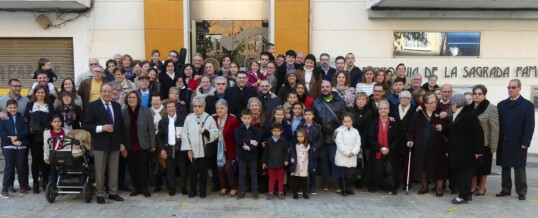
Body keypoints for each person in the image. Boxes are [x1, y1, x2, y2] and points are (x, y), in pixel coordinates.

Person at [83, 83, 126, 204]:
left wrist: (121, 142)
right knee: (100, 170)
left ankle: (113, 193)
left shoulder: (117, 106)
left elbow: (121, 126)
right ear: (100, 92)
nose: (107, 94)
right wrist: (102, 128)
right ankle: (100, 194)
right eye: (105, 91)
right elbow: (86, 124)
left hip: (114, 143)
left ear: (112, 93)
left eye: (109, 91)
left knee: (114, 170)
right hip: (100, 143)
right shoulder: (93, 106)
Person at [496, 79, 534, 201]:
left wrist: (526, 142)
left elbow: (529, 125)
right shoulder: (501, 104)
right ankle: (506, 189)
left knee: (519, 167)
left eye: (513, 87)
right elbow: (498, 124)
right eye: (509, 87)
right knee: (505, 166)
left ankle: (521, 191)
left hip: (519, 141)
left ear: (519, 88)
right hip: (504, 140)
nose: (510, 90)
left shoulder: (527, 105)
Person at [407, 92, 448, 197]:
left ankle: (439, 189)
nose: (434, 105)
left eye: (435, 102)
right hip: (422, 145)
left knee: (439, 167)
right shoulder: (418, 114)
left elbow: (448, 127)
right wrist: (410, 139)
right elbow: (411, 129)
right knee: (423, 166)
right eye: (431, 103)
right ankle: (424, 187)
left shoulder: (440, 114)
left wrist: (442, 127)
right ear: (425, 104)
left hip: (438, 146)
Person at [446, 94, 484, 204]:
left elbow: (478, 134)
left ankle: (463, 196)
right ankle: (466, 194)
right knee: (460, 174)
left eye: (451, 104)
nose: (450, 106)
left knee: (464, 175)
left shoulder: (469, 115)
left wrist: (478, 151)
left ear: (455, 104)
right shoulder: (458, 114)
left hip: (467, 152)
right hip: (458, 151)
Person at [181, 97, 219, 198]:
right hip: (192, 151)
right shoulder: (188, 118)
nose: (197, 108)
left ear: (203, 107)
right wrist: (188, 149)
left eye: (199, 106)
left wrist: (205, 131)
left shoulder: (209, 118)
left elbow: (215, 133)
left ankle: (202, 191)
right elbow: (184, 134)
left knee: (203, 171)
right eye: (195, 106)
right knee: (193, 171)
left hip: (204, 151)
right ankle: (193, 190)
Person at [312, 80, 345, 192]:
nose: (325, 88)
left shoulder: (340, 102)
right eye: (323, 87)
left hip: (334, 137)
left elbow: (343, 120)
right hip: (321, 138)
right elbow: (314, 119)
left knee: (334, 160)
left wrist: (339, 134)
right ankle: (325, 183)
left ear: (332, 88)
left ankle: (336, 183)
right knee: (323, 160)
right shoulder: (317, 102)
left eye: (327, 86)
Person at [121, 91, 156, 198]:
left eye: (134, 97)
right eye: (129, 98)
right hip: (129, 145)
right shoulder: (123, 112)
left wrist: (153, 144)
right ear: (126, 100)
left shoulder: (145, 111)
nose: (131, 99)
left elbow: (151, 128)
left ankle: (145, 188)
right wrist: (122, 146)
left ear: (138, 99)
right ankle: (136, 188)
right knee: (132, 168)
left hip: (143, 145)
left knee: (142, 168)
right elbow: (121, 131)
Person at [25, 85, 56, 193]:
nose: (40, 94)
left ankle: (45, 181)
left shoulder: (50, 105)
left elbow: (53, 119)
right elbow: (26, 119)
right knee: (35, 160)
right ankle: (35, 183)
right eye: (38, 92)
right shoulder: (30, 105)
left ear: (45, 94)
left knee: (46, 159)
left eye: (42, 92)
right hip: (34, 137)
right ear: (35, 93)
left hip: (47, 136)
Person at [470, 84, 499, 197]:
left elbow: (495, 127)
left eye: (479, 94)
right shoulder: (469, 107)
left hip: (485, 143)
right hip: (471, 143)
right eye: (475, 93)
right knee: (472, 166)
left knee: (483, 167)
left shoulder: (491, 108)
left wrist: (493, 144)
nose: (477, 96)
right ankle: (473, 187)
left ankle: (482, 187)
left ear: (484, 95)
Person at [367, 100, 399, 195]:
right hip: (377, 150)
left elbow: (397, 139)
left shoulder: (394, 123)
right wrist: (380, 148)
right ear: (378, 110)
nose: (383, 110)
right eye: (381, 109)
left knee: (390, 169)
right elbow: (370, 138)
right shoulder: (373, 123)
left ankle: (390, 187)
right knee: (376, 168)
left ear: (388, 110)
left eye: (385, 108)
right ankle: (375, 185)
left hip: (391, 151)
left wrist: (389, 148)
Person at [157, 99, 188, 196]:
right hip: (169, 149)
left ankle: (183, 187)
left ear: (176, 108)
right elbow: (159, 137)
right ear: (166, 109)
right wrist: (162, 149)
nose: (170, 108)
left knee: (183, 169)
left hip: (181, 149)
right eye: (168, 107)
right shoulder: (162, 122)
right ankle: (171, 188)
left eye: (172, 106)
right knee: (170, 170)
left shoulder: (183, 119)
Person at [0, 99, 30, 198]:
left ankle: (23, 187)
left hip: (20, 145)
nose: (13, 109)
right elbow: (2, 131)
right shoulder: (3, 118)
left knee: (21, 166)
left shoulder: (22, 118)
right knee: (9, 166)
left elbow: (26, 130)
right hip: (8, 145)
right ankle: (4, 189)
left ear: (17, 107)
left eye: (14, 107)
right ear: (7, 108)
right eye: (10, 108)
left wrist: (17, 138)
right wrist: (11, 139)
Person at [213, 99, 240, 197]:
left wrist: (237, 152)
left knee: (228, 168)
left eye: (222, 108)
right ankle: (223, 187)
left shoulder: (232, 120)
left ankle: (234, 187)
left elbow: (237, 137)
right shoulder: (214, 119)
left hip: (230, 149)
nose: (219, 110)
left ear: (226, 109)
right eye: (217, 108)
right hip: (218, 150)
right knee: (219, 169)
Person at [234, 109, 261, 199]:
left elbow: (257, 142)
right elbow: (238, 140)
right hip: (242, 155)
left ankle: (255, 191)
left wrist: (250, 147)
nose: (246, 120)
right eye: (245, 118)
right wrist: (250, 141)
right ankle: (241, 191)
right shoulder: (238, 129)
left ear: (251, 119)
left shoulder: (255, 129)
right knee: (242, 174)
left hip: (252, 155)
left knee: (253, 173)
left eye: (248, 118)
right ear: (241, 118)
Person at [334, 112, 361, 196]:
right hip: (342, 155)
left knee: (349, 173)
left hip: (352, 155)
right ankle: (343, 189)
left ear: (352, 121)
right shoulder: (339, 131)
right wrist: (347, 153)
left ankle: (348, 188)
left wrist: (353, 152)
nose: (347, 123)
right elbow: (339, 143)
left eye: (349, 121)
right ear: (342, 121)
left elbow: (358, 143)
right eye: (345, 121)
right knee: (342, 173)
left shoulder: (355, 131)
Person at [350, 93, 373, 189]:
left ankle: (363, 180)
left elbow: (368, 129)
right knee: (354, 162)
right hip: (352, 141)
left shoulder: (370, 112)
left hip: (365, 142)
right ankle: (354, 180)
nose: (361, 101)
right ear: (356, 101)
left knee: (364, 162)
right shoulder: (351, 111)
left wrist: (361, 143)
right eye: (359, 99)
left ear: (366, 101)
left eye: (363, 99)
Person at [262, 123, 289, 200]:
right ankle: (271, 192)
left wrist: (286, 160)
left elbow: (286, 152)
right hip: (270, 164)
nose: (276, 132)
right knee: (271, 178)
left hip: (280, 163)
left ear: (281, 131)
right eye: (274, 131)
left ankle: (280, 192)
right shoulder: (268, 141)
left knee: (280, 178)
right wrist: (264, 162)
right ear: (271, 131)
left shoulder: (283, 140)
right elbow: (265, 152)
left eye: (278, 131)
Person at [42, 115, 70, 186]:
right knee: (53, 171)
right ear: (51, 123)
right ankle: (54, 187)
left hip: (64, 155)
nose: (57, 123)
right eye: (55, 122)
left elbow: (69, 144)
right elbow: (46, 146)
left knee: (64, 171)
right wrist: (46, 157)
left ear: (61, 122)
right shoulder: (47, 133)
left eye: (59, 121)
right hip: (53, 155)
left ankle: (64, 185)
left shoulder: (66, 131)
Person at [300, 108, 323, 194]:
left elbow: (320, 140)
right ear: (304, 116)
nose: (308, 116)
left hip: (313, 151)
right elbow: (297, 137)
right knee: (302, 169)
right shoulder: (301, 126)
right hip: (303, 150)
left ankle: (312, 187)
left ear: (313, 116)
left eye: (310, 115)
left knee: (312, 169)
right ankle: (302, 187)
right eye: (306, 115)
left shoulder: (317, 126)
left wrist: (314, 147)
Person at [290, 128, 315, 200]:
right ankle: (295, 193)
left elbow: (312, 156)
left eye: (301, 137)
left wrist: (312, 165)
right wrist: (291, 158)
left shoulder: (309, 145)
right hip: (297, 165)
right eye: (298, 137)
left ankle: (305, 193)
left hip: (305, 165)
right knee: (296, 180)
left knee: (304, 180)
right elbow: (292, 154)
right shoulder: (294, 145)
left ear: (305, 136)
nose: (300, 138)